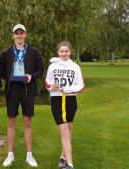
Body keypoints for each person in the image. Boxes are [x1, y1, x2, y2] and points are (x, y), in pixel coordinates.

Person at [0, 24, 44, 167]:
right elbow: (0, 71)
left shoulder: (34, 52)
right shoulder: (6, 53)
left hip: (27, 89)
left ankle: (29, 155)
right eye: (16, 33)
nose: (19, 35)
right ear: (13, 36)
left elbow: (41, 70)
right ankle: (10, 155)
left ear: (25, 35)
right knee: (11, 122)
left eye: (21, 33)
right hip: (12, 89)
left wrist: (31, 76)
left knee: (27, 122)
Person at [44, 41, 85, 169]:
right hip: (56, 100)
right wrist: (52, 87)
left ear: (70, 52)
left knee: (68, 129)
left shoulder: (75, 67)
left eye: (66, 51)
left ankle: (63, 157)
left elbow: (81, 86)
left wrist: (67, 89)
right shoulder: (53, 67)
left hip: (70, 100)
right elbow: (47, 83)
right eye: (62, 51)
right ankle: (70, 165)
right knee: (63, 130)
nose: (64, 53)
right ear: (58, 52)